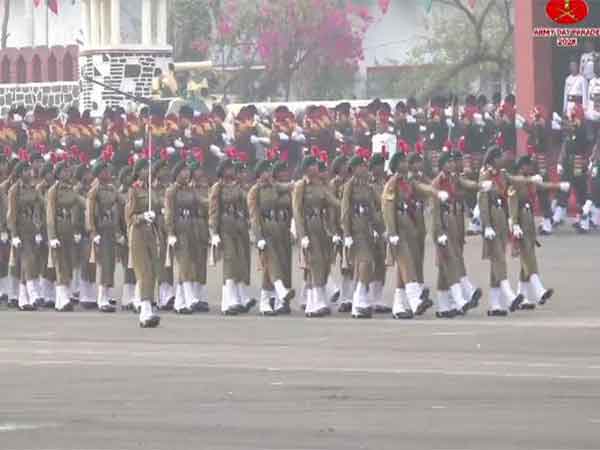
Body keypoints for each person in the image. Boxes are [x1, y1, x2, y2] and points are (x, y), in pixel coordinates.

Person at [509, 156, 570, 309]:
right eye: (529, 166)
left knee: (526, 262)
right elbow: (512, 204)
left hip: (529, 224)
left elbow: (543, 186)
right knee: (529, 259)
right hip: (520, 225)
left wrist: (559, 186)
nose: (531, 168)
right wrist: (515, 225)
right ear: (522, 167)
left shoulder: (530, 180)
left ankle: (522, 297)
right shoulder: (515, 183)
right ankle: (539, 291)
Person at [381, 151, 437, 319]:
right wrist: (391, 233)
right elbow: (387, 208)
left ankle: (398, 306)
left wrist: (435, 192)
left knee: (403, 269)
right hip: (398, 230)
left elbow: (421, 188)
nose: (406, 164)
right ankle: (415, 301)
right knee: (407, 265)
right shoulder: (392, 183)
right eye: (403, 161)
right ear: (396, 165)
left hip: (408, 227)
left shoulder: (408, 181)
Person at [478, 147, 529, 316]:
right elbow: (482, 202)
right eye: (500, 157)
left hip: (501, 221)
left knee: (496, 262)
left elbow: (515, 180)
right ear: (493, 159)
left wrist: (531, 180)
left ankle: (495, 305)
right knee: (499, 259)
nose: (504, 159)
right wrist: (486, 226)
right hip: (491, 221)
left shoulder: (502, 174)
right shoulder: (485, 175)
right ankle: (509, 295)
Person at [430, 152, 482, 318]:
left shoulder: (453, 178)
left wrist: (480, 185)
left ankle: (445, 306)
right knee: (450, 261)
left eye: (453, 161)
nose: (452, 164)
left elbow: (466, 183)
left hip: (454, 223)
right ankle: (461, 297)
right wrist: (438, 233)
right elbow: (435, 211)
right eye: (449, 162)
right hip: (443, 225)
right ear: (442, 164)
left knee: (447, 266)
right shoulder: (437, 183)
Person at [292, 156, 339, 318]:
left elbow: (334, 203)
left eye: (316, 166)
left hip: (322, 228)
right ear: (306, 169)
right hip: (309, 228)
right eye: (311, 165)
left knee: (323, 264)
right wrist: (302, 235)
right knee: (315, 263)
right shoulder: (301, 186)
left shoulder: (322, 186)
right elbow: (297, 212)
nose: (315, 168)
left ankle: (312, 303)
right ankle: (317, 302)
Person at [247, 160, 296, 316]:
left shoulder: (275, 186)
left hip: (280, 231)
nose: (268, 174)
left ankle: (266, 302)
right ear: (259, 174)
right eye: (265, 172)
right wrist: (258, 236)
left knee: (275, 265)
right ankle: (280, 292)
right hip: (265, 231)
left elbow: (287, 187)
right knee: (272, 262)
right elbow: (254, 217)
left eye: (269, 171)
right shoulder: (255, 191)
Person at [209, 159, 255, 315]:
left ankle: (235, 299)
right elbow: (214, 211)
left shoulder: (238, 187)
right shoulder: (218, 188)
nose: (232, 171)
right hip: (225, 228)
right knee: (230, 260)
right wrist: (214, 233)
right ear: (222, 171)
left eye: (232, 169)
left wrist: (248, 220)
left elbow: (246, 204)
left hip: (239, 227)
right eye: (228, 169)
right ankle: (229, 301)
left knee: (240, 260)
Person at [341, 156, 382, 319]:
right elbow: (344, 211)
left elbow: (376, 208)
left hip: (367, 230)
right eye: (361, 166)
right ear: (354, 168)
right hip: (355, 230)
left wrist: (381, 229)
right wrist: (347, 234)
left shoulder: (368, 187)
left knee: (364, 266)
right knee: (364, 263)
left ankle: (359, 302)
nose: (365, 169)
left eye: (365, 166)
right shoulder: (349, 186)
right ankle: (359, 300)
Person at [164, 158, 204, 314]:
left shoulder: (190, 189)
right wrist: (170, 233)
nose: (187, 173)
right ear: (177, 173)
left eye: (188, 170)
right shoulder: (172, 191)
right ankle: (190, 298)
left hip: (191, 229)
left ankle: (179, 303)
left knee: (188, 263)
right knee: (184, 263)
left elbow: (201, 202)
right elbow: (169, 213)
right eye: (184, 171)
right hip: (179, 229)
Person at [125, 158, 161, 328]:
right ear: (139, 172)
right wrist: (141, 217)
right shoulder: (133, 191)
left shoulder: (151, 190)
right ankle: (145, 312)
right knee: (144, 271)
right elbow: (129, 216)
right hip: (138, 234)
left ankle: (147, 307)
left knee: (153, 271)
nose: (149, 172)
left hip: (151, 233)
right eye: (146, 169)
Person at [7, 153, 44, 311]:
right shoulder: (15, 190)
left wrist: (38, 228)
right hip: (20, 232)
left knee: (27, 265)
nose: (30, 173)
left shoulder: (33, 189)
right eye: (26, 171)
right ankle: (33, 294)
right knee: (28, 262)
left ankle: (23, 300)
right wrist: (14, 235)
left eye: (30, 170)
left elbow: (42, 206)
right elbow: (11, 214)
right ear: (20, 173)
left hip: (31, 231)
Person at [86, 149, 120, 313]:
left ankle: (106, 295)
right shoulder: (95, 190)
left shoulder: (112, 188)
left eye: (108, 170)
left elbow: (122, 203)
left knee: (110, 264)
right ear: (99, 173)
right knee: (104, 264)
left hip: (110, 230)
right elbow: (90, 212)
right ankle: (101, 298)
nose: (108, 172)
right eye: (105, 170)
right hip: (100, 231)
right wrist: (93, 233)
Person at [47, 161, 80, 312]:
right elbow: (50, 215)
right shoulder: (53, 191)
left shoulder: (71, 189)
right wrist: (52, 236)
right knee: (60, 265)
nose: (67, 173)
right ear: (58, 173)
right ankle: (63, 298)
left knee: (68, 264)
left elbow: (80, 204)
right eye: (64, 171)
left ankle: (60, 301)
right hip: (59, 231)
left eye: (68, 171)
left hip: (69, 232)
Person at [369, 153, 391, 313]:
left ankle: (378, 298)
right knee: (370, 263)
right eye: (378, 165)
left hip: (383, 225)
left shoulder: (385, 182)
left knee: (382, 263)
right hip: (372, 226)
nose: (381, 168)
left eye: (383, 165)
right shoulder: (369, 184)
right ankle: (369, 297)